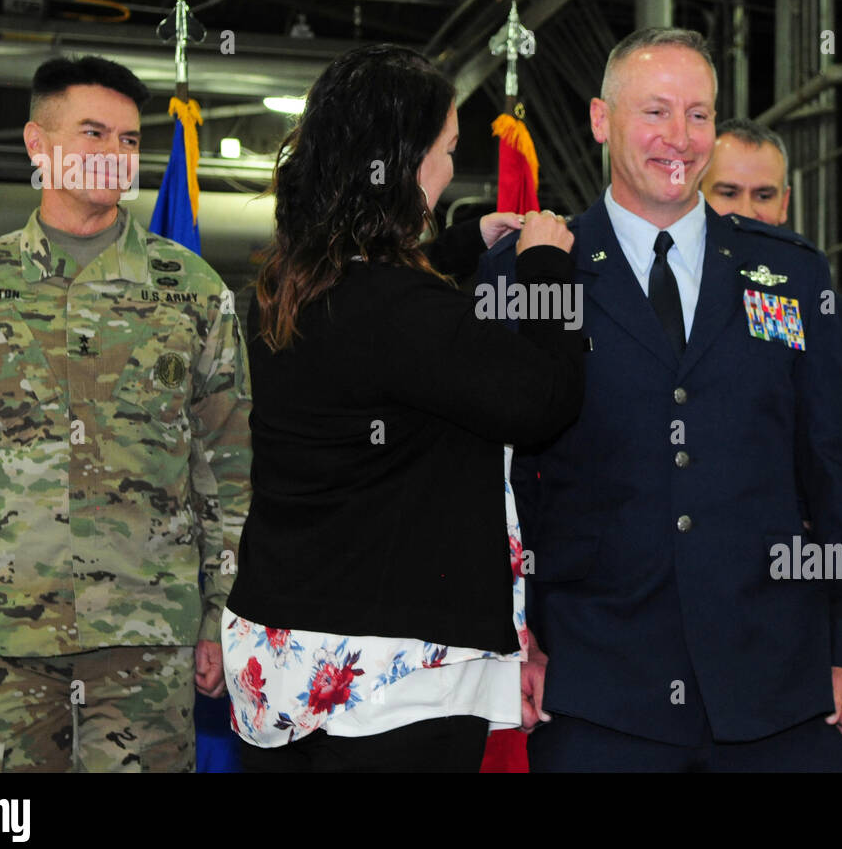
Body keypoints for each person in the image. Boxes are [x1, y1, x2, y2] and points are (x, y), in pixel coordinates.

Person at [479, 28, 842, 772]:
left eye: (699, 115)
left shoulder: (790, 275)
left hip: (780, 692)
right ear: (602, 121)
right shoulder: (536, 272)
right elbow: (502, 477)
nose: (681, 138)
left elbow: (839, 465)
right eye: (656, 113)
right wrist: (516, 636)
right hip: (597, 691)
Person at [0, 55, 252, 771]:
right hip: (2, 644)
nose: (116, 157)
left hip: (146, 644)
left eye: (129, 141)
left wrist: (220, 613)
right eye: (93, 134)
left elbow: (229, 474)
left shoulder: (193, 294)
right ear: (36, 144)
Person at [221, 44, 584, 773]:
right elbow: (544, 402)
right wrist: (549, 270)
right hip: (391, 678)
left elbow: (384, 330)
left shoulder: (286, 287)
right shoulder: (403, 314)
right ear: (408, 160)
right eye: (447, 150)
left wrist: (455, 246)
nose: (452, 170)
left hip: (284, 658)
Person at [701, 119, 842, 557]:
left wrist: (832, 558)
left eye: (764, 195)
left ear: (785, 204)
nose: (746, 211)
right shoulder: (656, 308)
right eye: (727, 193)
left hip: (795, 594)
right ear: (694, 197)